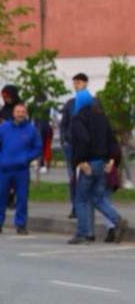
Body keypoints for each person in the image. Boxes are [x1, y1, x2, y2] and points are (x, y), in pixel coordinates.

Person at [67, 90, 128, 245]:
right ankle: (117, 220)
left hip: (88, 163)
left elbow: (83, 139)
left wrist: (80, 160)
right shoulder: (102, 118)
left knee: (80, 199)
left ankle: (82, 233)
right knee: (98, 199)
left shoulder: (78, 118)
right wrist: (111, 160)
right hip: (103, 164)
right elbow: (112, 140)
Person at [0, 103, 42, 235]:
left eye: (23, 112)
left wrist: (27, 158)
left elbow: (38, 147)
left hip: (21, 169)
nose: (20, 114)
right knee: (1, 196)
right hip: (3, 168)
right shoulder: (3, 127)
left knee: (22, 197)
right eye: (18, 112)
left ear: (26, 114)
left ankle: (21, 224)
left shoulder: (31, 129)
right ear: (13, 113)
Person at [59, 73, 89, 218]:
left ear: (85, 84)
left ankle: (85, 207)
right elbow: (63, 123)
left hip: (86, 146)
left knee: (86, 177)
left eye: (79, 82)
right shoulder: (70, 104)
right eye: (75, 83)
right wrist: (64, 140)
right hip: (71, 145)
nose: (76, 85)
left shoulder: (92, 103)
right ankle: (75, 207)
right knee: (73, 178)